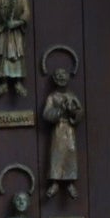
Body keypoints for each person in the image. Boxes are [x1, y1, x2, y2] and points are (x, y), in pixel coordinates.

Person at [42, 67, 82, 198]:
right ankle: (55, 182)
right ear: (54, 79)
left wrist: (73, 113)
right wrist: (59, 111)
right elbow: (46, 114)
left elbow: (80, 112)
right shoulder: (52, 97)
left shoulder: (72, 96)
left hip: (69, 130)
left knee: (70, 155)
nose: (61, 78)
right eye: (58, 76)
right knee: (57, 155)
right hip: (58, 129)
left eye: (63, 75)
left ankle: (70, 182)